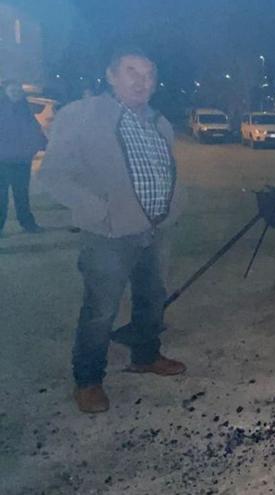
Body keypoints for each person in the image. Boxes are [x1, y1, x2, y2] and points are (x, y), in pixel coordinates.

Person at [41, 47, 187, 414]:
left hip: (155, 230)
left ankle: (145, 356)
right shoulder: (82, 115)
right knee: (100, 310)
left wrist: (174, 207)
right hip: (107, 235)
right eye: (132, 71)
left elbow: (165, 170)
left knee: (152, 299)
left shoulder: (159, 122)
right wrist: (96, 210)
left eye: (149, 74)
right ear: (110, 75)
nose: (142, 81)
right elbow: (54, 174)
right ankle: (88, 380)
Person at [0, 79, 46, 236]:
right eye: (12, 90)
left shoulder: (24, 109)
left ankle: (27, 223)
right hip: (2, 161)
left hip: (21, 161)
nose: (15, 92)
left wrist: (32, 149)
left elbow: (35, 131)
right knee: (1, 197)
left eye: (18, 90)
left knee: (22, 195)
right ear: (6, 91)